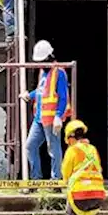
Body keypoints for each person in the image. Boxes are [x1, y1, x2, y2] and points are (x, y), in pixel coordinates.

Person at [51, 119, 105, 215]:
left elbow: (66, 173)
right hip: (96, 193)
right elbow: (98, 168)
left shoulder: (72, 150)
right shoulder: (93, 149)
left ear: (71, 137)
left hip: (78, 194)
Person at [21, 40, 69, 182]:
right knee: (30, 146)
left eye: (42, 61)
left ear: (49, 57)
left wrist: (58, 116)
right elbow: (42, 90)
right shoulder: (43, 73)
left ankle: (55, 180)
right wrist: (29, 95)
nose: (40, 64)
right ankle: (36, 179)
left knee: (53, 149)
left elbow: (63, 96)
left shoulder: (59, 72)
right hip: (39, 118)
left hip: (51, 118)